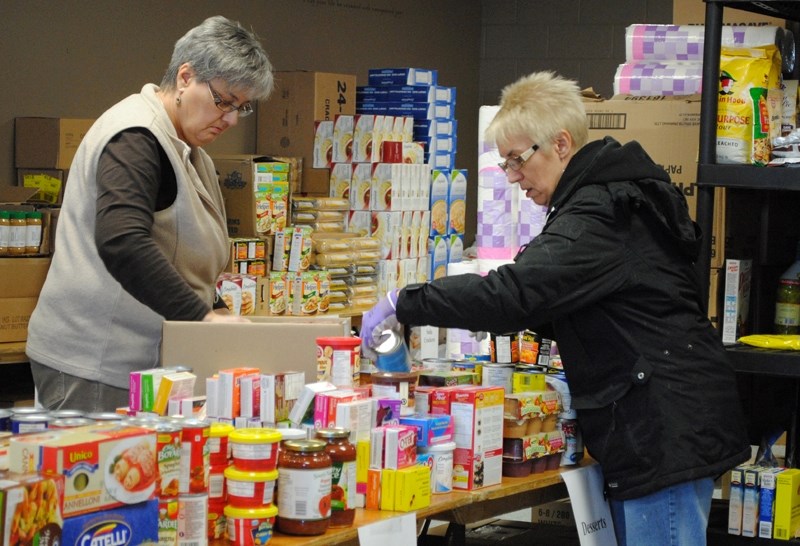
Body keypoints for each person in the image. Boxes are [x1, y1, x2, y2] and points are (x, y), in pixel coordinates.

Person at [361, 71, 751, 545]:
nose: (510, 176)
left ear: (561, 144)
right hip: (659, 422)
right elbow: (550, 303)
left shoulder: (598, 214)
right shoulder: (605, 199)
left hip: (662, 432)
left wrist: (403, 301)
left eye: (517, 159)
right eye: (503, 163)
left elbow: (513, 296)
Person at [26, 16, 273, 413]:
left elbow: (185, 263)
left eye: (240, 108)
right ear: (185, 76)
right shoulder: (135, 137)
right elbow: (122, 241)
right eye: (223, 101)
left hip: (149, 369)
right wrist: (202, 320)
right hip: (96, 366)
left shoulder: (193, 153)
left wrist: (220, 315)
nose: (229, 119)